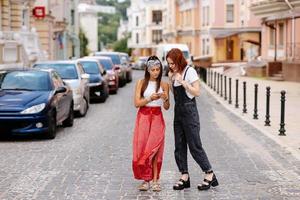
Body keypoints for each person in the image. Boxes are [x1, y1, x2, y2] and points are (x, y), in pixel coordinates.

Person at [166, 48, 218, 191]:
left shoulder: (190, 72)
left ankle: (209, 173)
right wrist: (171, 80)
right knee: (179, 146)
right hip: (178, 113)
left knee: (195, 146)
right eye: (169, 64)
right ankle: (184, 176)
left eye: (172, 63)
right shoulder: (173, 73)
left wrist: (183, 82)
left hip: (190, 113)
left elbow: (197, 92)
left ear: (178, 60)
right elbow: (175, 94)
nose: (170, 66)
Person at [132, 55, 170, 192]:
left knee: (155, 150)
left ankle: (155, 180)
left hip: (157, 118)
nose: (156, 72)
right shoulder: (141, 83)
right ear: (148, 70)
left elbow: (167, 107)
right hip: (143, 117)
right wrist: (149, 98)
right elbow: (137, 103)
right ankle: (145, 180)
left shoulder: (165, 85)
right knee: (143, 149)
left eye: (158, 69)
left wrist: (165, 99)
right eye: (153, 69)